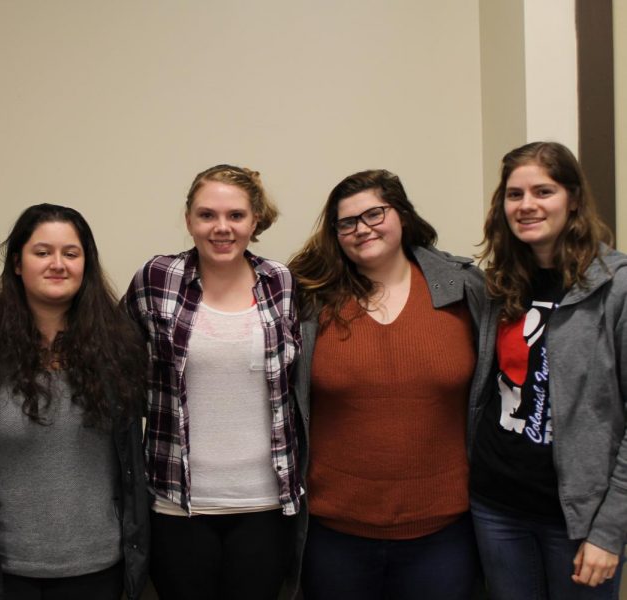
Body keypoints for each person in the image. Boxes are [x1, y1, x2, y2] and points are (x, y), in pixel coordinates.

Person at [0, 203, 149, 600]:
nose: (57, 264)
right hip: (0, 575)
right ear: (18, 264)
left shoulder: (119, 349)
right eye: (42, 252)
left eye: (71, 254)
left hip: (100, 571)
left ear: (86, 265)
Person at [288, 169, 483, 600]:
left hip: (442, 533)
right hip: (335, 533)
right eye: (347, 222)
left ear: (402, 215)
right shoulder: (309, 300)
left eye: (374, 214)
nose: (362, 229)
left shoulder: (463, 291)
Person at [123, 164, 303, 600]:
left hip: (264, 502)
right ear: (189, 220)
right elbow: (116, 362)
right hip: (177, 503)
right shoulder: (157, 278)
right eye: (207, 215)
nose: (221, 228)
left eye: (236, 216)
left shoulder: (280, 282)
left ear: (254, 220)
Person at [469, 141, 626, 599]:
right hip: (496, 507)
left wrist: (609, 530)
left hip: (578, 520)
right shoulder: (499, 284)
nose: (527, 205)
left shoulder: (614, 288)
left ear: (573, 199)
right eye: (514, 195)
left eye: (543, 191)